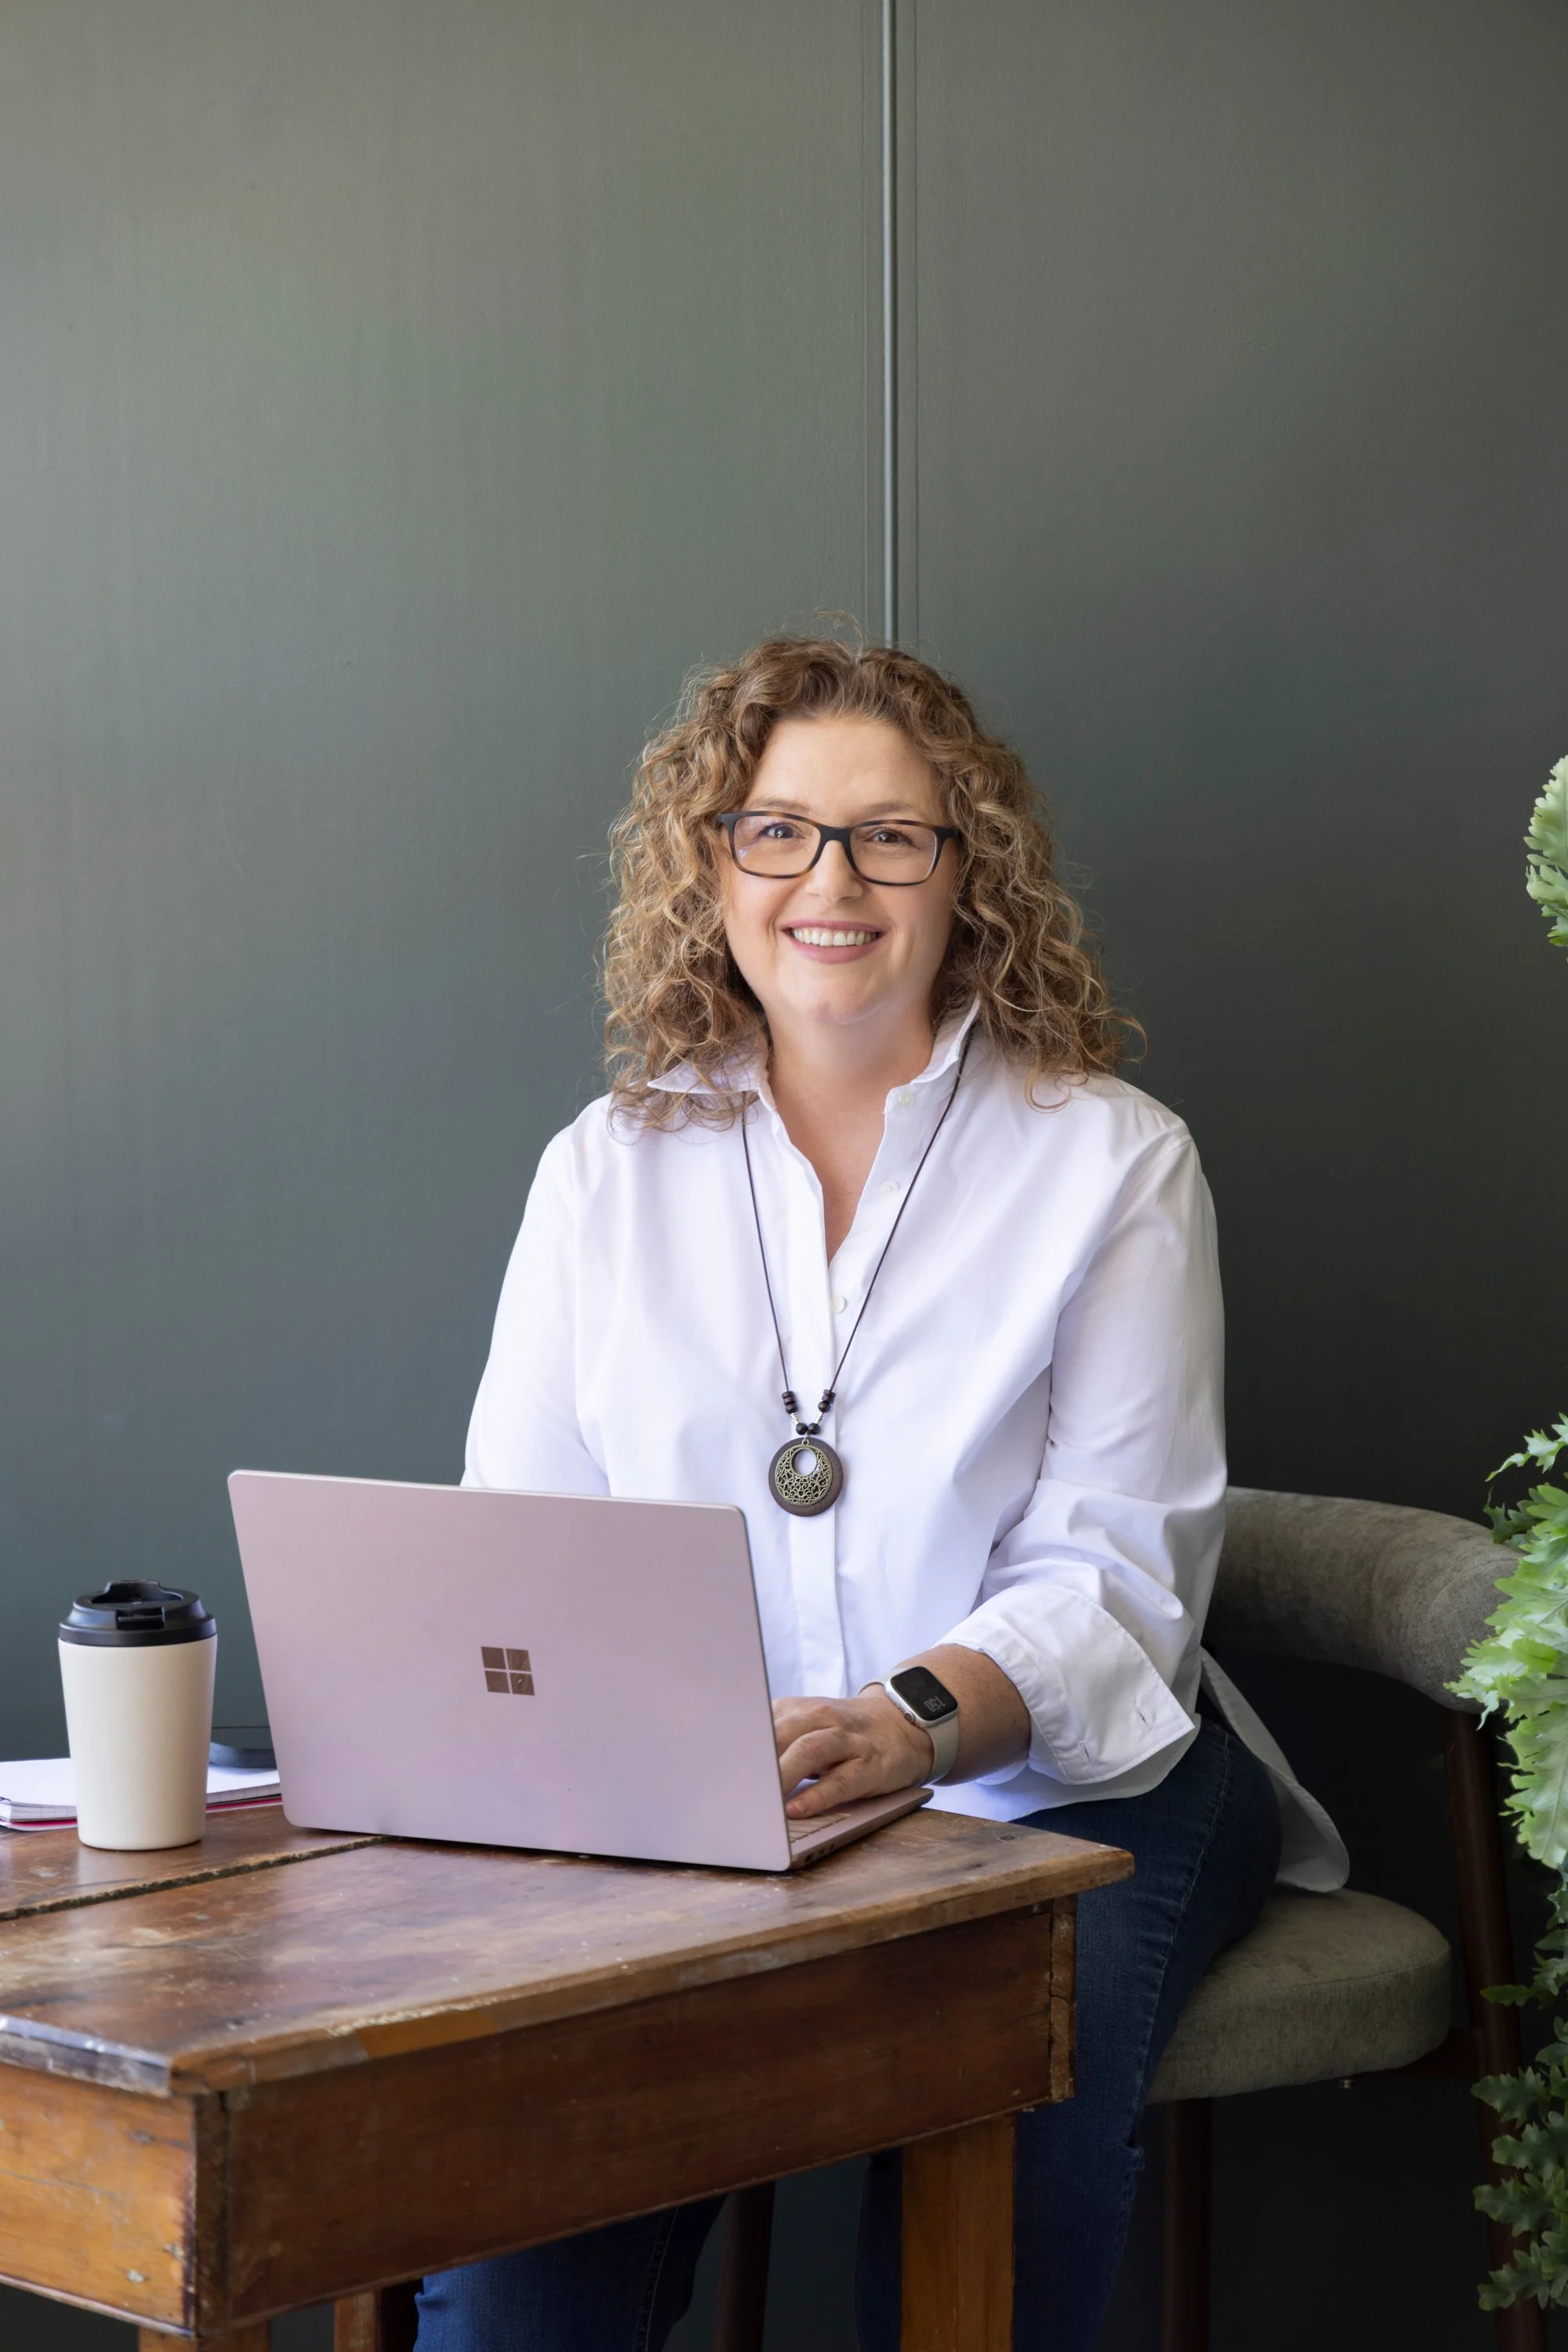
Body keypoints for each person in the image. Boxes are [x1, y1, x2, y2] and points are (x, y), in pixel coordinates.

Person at [415, 637, 1344, 2352]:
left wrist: (913, 1721)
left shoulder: (1113, 1158)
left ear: (962, 872)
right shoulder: (603, 1172)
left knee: (982, 2184)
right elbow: (526, 1551)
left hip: (1068, 1793)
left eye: (888, 836)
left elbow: (1117, 1572)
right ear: (712, 869)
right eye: (778, 832)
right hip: (709, 1815)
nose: (828, 882)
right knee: (519, 2245)